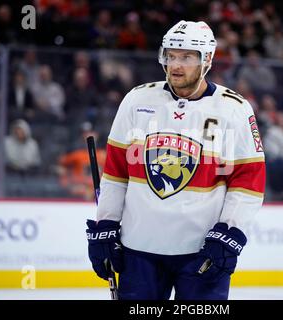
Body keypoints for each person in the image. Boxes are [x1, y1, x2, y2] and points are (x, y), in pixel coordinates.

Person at [86, 20, 266, 300]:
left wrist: (230, 232)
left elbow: (247, 182)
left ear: (206, 59)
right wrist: (106, 224)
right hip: (139, 251)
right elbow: (115, 174)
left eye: (186, 57)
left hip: (201, 254)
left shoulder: (234, 110)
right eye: (170, 55)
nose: (175, 65)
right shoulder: (137, 100)